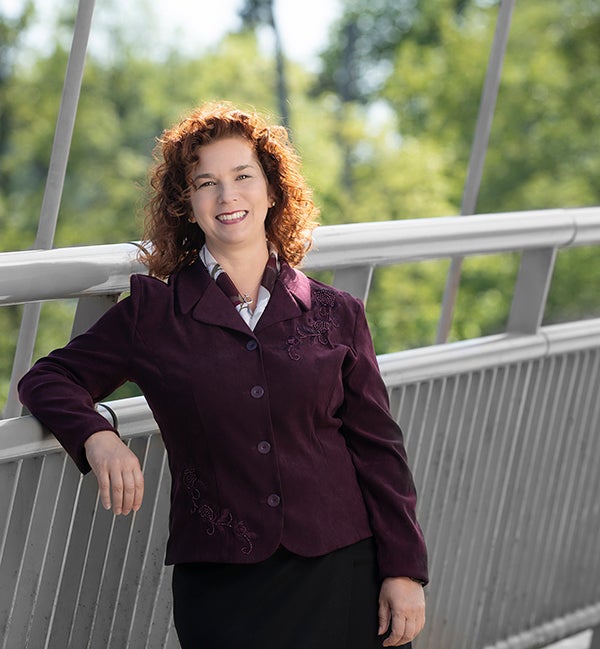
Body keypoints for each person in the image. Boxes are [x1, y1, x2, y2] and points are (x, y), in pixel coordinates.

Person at [18, 102, 428, 648]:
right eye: (205, 182)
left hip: (344, 570)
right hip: (222, 585)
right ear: (187, 204)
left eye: (242, 176)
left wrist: (404, 570)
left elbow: (380, 451)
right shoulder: (153, 314)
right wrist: (97, 436)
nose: (227, 196)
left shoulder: (337, 313)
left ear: (272, 190)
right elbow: (48, 378)